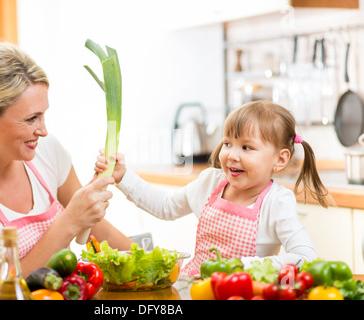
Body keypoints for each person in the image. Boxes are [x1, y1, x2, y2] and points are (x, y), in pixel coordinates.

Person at [0, 42, 132, 282]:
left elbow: (100, 229)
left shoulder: (48, 152)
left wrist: (159, 266)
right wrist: (69, 221)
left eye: (43, 115)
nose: (44, 130)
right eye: (31, 119)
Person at [95, 100, 331, 276]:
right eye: (228, 143)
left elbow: (305, 258)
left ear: (279, 160)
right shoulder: (209, 181)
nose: (231, 155)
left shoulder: (277, 202)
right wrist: (123, 176)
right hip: (195, 289)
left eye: (247, 147)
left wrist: (244, 266)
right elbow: (165, 207)